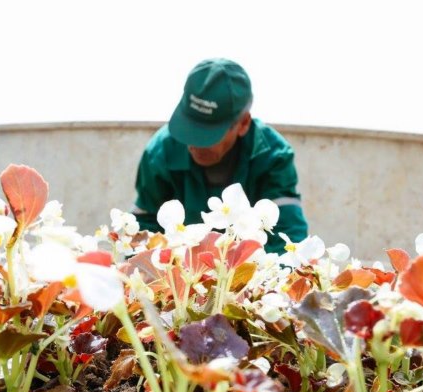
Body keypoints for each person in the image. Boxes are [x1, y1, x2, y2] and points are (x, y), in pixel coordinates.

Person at [132, 58, 308, 253]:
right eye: (189, 128)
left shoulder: (273, 157)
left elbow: (287, 235)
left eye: (207, 135)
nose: (193, 144)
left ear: (243, 124)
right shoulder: (159, 154)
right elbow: (143, 230)